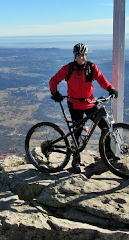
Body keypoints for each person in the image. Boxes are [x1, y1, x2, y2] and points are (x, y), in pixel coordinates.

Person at [49, 43, 118, 173]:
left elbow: (102, 79)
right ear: (75, 56)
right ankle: (75, 161)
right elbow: (53, 80)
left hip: (89, 103)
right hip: (74, 104)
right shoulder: (68, 68)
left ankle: (108, 154)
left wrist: (110, 88)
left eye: (83, 55)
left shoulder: (91, 67)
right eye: (79, 55)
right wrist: (54, 92)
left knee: (105, 126)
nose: (81, 58)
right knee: (77, 131)